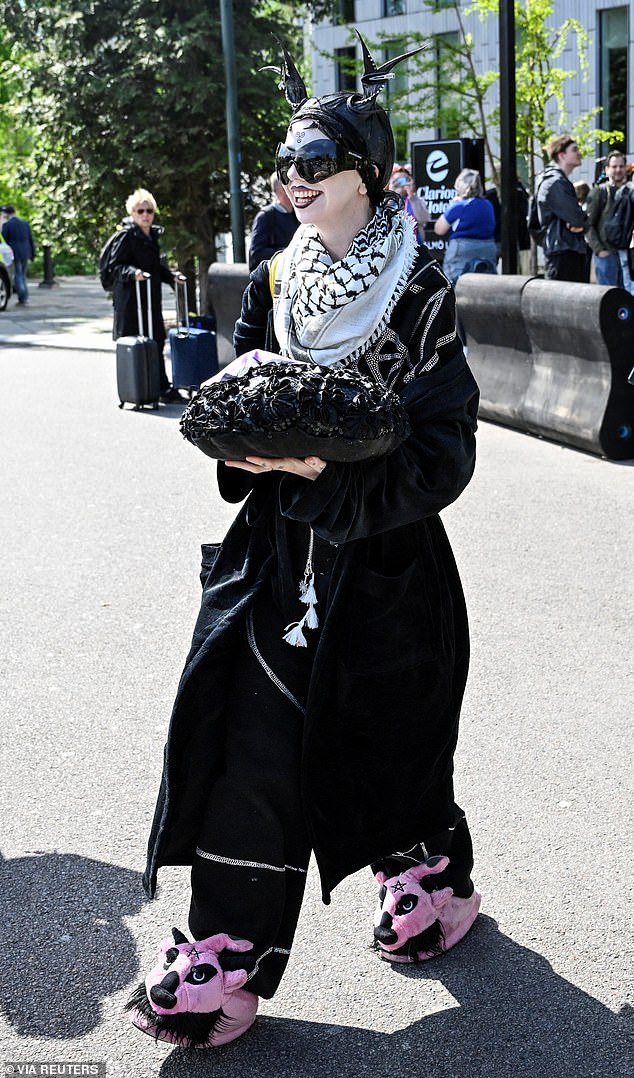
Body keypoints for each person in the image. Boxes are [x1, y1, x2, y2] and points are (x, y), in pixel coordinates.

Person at [128, 32, 480, 1051]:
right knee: (248, 737)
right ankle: (228, 949)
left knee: (394, 738)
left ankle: (429, 869)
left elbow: (444, 453)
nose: (292, 181)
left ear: (366, 176)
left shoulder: (421, 294)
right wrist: (251, 458)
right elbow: (234, 402)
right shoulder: (274, 282)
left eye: (314, 165)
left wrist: (331, 478)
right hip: (274, 556)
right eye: (284, 167)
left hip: (388, 566)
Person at [102, 188, 183, 403]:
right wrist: (133, 273)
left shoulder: (151, 235)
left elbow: (155, 266)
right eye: (140, 211)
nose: (145, 215)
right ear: (132, 213)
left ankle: (161, 387)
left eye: (149, 211)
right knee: (137, 344)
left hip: (149, 300)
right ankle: (138, 387)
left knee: (156, 340)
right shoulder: (126, 236)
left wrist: (171, 277)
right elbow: (115, 266)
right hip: (132, 302)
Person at [534, 135, 587, 282]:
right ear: (562, 155)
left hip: (563, 250)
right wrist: (583, 223)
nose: (579, 153)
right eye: (574, 150)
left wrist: (580, 224)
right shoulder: (555, 183)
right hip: (564, 252)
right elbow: (577, 218)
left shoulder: (553, 181)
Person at [433, 168, 497, 285]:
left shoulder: (459, 206)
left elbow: (439, 229)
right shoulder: (488, 205)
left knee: (453, 285)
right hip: (488, 247)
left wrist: (452, 205)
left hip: (462, 248)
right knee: (486, 286)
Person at [585, 151, 633, 290]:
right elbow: (588, 224)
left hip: (627, 254)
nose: (618, 170)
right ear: (607, 170)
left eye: (621, 166)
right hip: (607, 255)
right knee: (609, 300)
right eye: (614, 166)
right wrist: (599, 250)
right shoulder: (599, 192)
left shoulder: (630, 191)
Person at [248, 173, 299, 270]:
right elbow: (257, 252)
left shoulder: (298, 215)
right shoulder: (265, 216)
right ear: (280, 191)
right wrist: (286, 252)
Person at [1, 204, 35, 306]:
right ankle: (24, 296)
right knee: (23, 275)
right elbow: (30, 240)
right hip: (25, 252)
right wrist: (33, 253)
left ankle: (23, 297)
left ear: (6, 214)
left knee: (18, 275)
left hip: (14, 252)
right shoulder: (25, 224)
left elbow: (4, 241)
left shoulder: (7, 225)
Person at [388, 163, 431, 242]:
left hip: (415, 244)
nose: (400, 184)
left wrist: (412, 196)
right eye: (396, 181)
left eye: (404, 180)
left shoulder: (416, 200)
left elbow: (424, 219)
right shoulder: (386, 201)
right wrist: (391, 192)